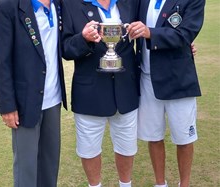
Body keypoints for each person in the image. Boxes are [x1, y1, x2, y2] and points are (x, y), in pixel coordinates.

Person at [61, 0, 140, 186]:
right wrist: (83, 38)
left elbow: (148, 27)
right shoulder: (70, 4)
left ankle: (125, 184)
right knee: (88, 150)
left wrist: (187, 45)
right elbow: (65, 48)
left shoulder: (131, 2)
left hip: (125, 89)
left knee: (127, 147)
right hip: (89, 91)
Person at [127, 0, 205, 186]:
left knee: (184, 139)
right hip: (146, 78)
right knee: (154, 137)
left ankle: (184, 184)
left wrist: (150, 33)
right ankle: (160, 183)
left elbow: (186, 33)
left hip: (178, 79)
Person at [0, 0, 67, 186]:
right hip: (25, 102)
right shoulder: (7, 6)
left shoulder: (58, 4)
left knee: (49, 166)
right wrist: (7, 105)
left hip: (53, 99)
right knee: (26, 170)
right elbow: (2, 61)